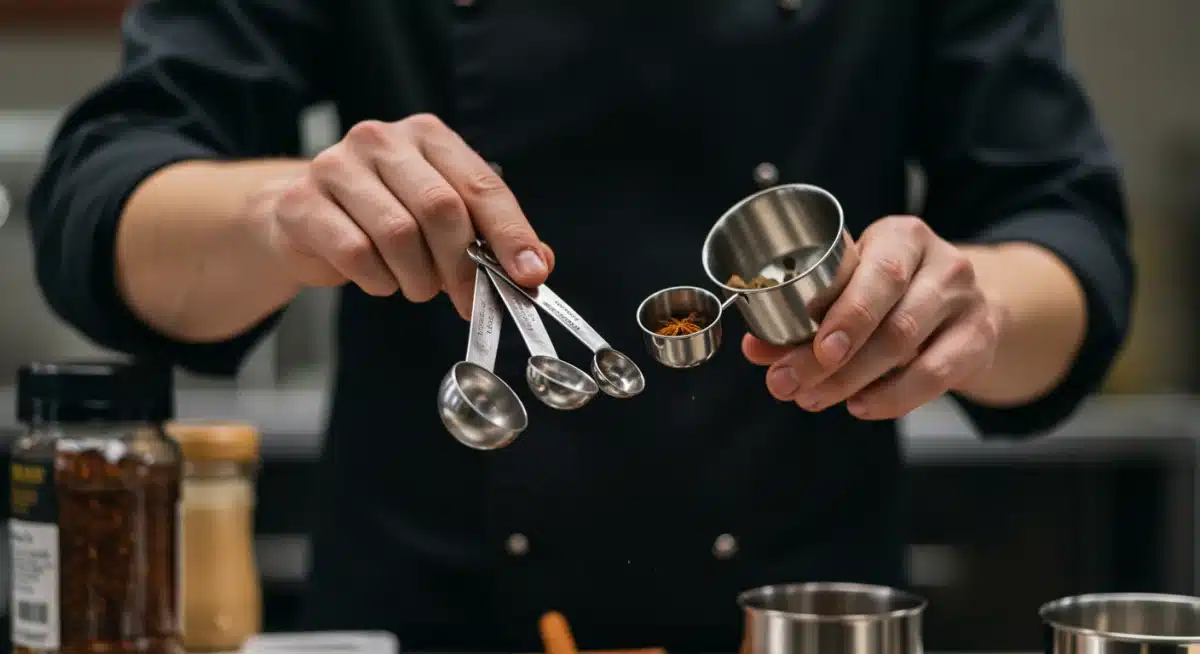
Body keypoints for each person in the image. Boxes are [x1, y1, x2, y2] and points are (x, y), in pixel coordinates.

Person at [29, 0, 1134, 650]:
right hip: (438, 619)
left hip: (802, 618)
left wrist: (973, 303)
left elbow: (1072, 245)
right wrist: (283, 214)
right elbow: (98, 203)